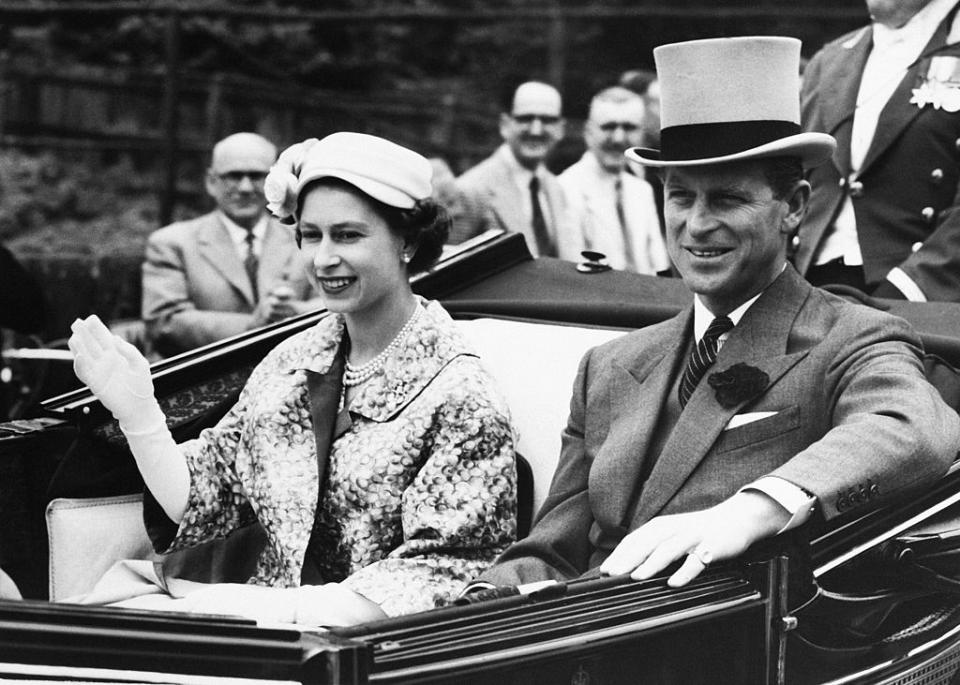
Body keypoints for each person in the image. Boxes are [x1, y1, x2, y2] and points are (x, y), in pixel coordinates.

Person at [476, 36, 960, 591]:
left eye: (727, 199)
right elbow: (551, 555)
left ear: (795, 207)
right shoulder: (609, 365)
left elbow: (913, 430)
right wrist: (472, 611)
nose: (698, 224)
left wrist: (749, 510)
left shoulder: (851, 338)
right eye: (681, 197)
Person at [69, 132, 517, 624]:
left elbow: (444, 572)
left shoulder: (461, 393)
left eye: (348, 235)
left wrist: (271, 607)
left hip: (371, 654)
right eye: (310, 235)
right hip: (264, 628)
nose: (323, 259)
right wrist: (139, 415)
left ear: (407, 241)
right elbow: (209, 494)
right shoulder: (293, 360)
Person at [798, 0, 960, 301]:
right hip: (806, 287)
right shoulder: (830, 59)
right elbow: (789, 181)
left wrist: (908, 289)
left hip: (917, 295)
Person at [142, 132, 324, 357]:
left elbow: (341, 298)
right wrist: (252, 326)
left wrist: (298, 312)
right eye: (234, 176)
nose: (246, 188)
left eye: (257, 176)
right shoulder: (172, 243)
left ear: (275, 181)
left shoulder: (304, 236)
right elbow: (164, 322)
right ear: (211, 181)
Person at [455, 81, 578, 259]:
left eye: (547, 120)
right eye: (526, 119)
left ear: (560, 129)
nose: (536, 130)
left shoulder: (555, 187)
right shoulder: (472, 189)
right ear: (505, 124)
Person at [558, 87, 670, 274]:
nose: (618, 138)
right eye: (608, 127)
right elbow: (573, 271)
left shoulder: (641, 190)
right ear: (588, 132)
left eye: (629, 127)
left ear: (642, 134)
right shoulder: (566, 187)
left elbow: (659, 266)